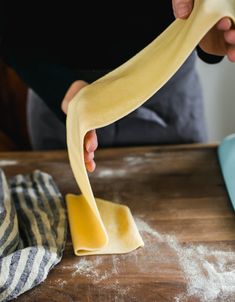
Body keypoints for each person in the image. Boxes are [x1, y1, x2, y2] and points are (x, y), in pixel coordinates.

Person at [1, 0, 235, 173]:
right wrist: (61, 89)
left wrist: (210, 27)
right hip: (61, 97)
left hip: (167, 96)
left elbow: (209, 22)